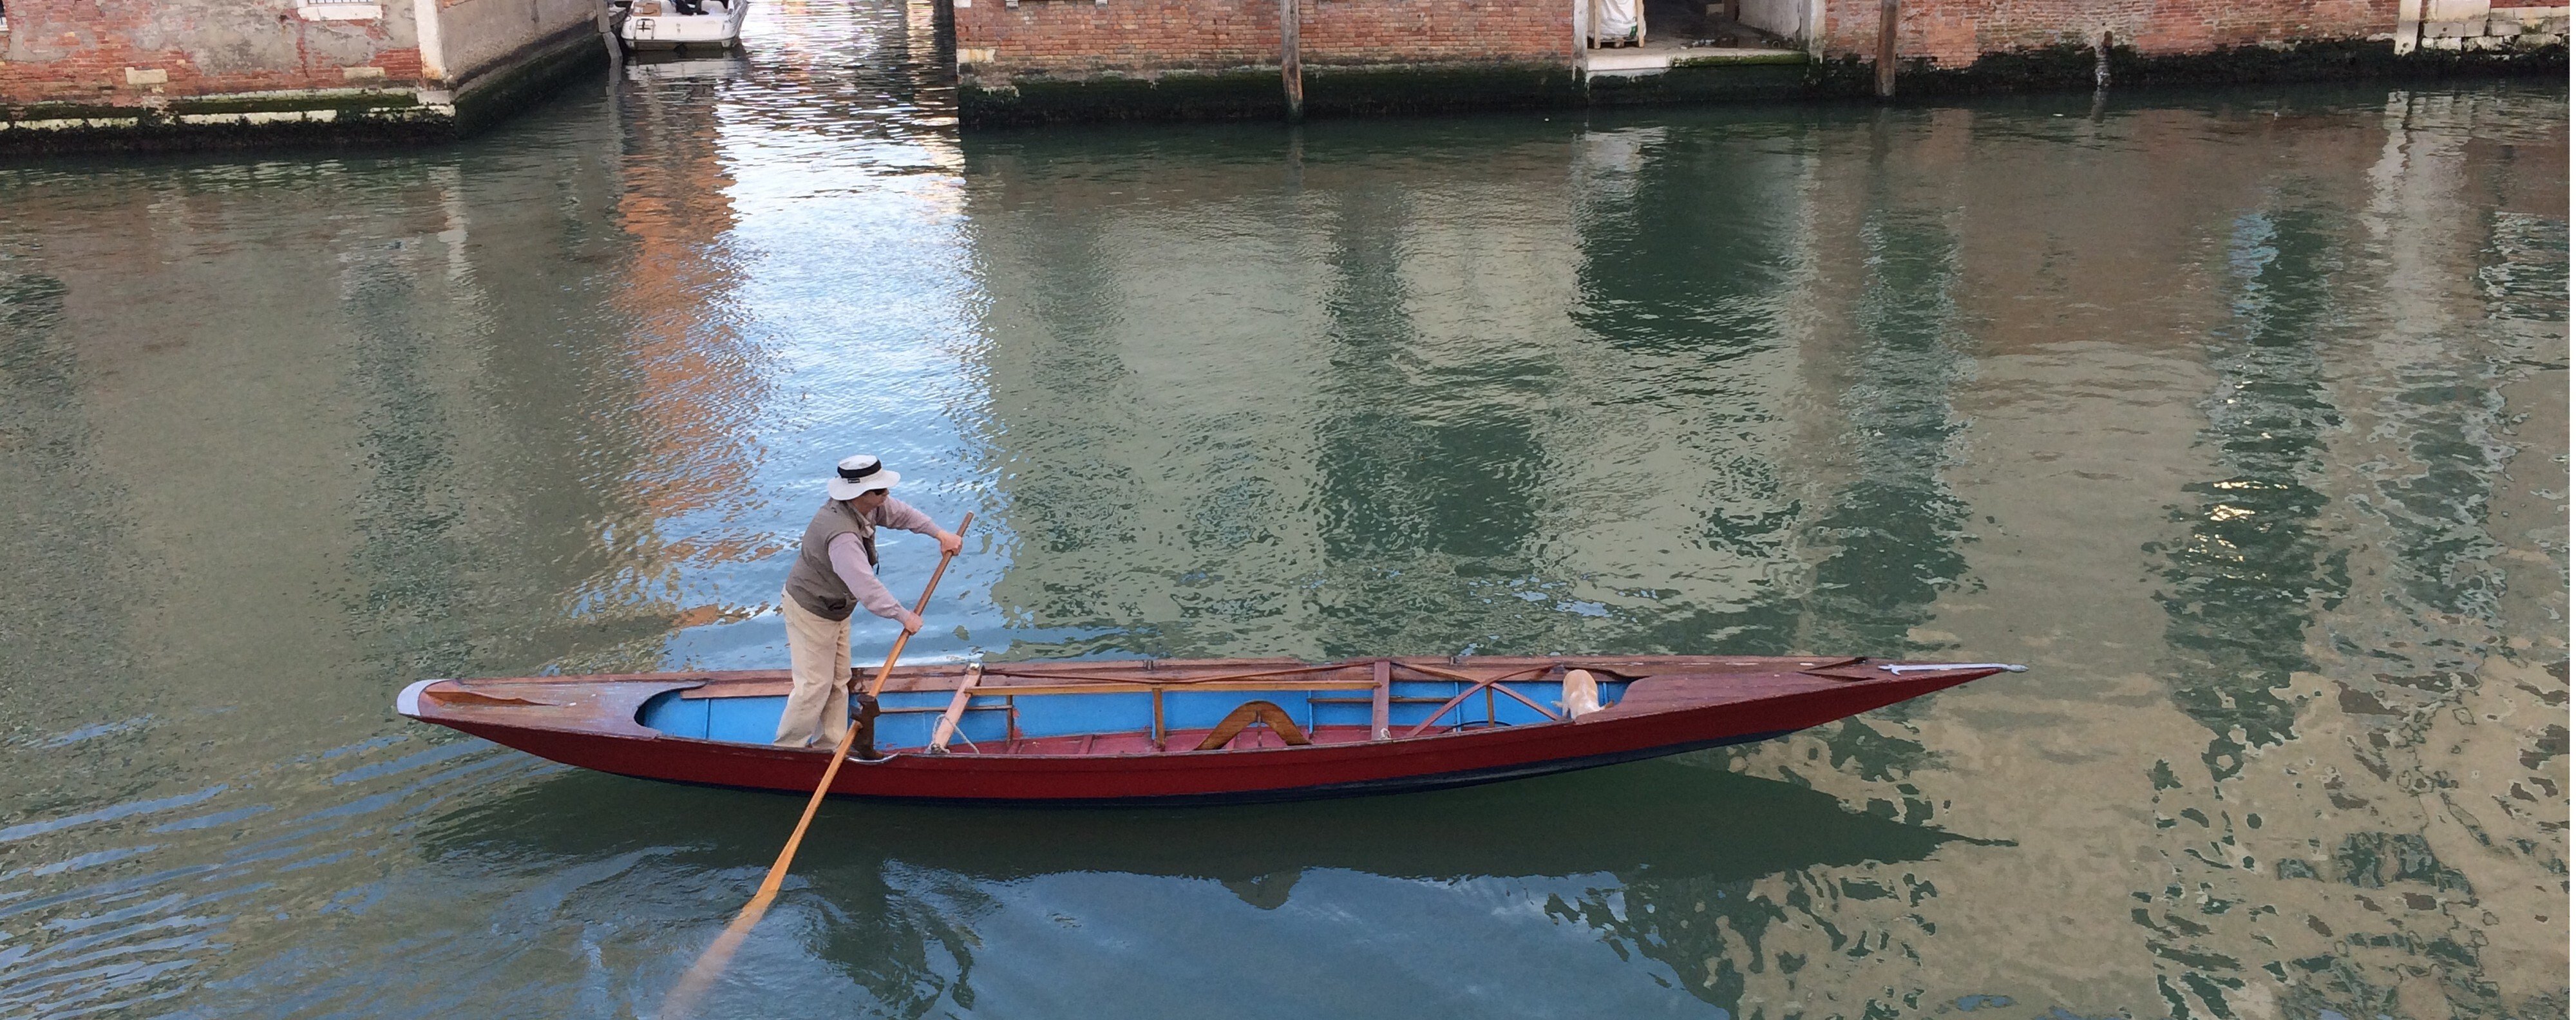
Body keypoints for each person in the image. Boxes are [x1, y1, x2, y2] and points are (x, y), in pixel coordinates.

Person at [774, 455, 964, 748]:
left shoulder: (870, 506)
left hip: (837, 608)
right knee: (814, 685)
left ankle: (830, 745)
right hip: (811, 609)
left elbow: (902, 515)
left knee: (839, 680)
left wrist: (940, 534)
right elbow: (867, 588)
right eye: (880, 491)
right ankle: (787, 750)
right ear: (859, 494)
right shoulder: (842, 537)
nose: (886, 495)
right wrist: (903, 616)